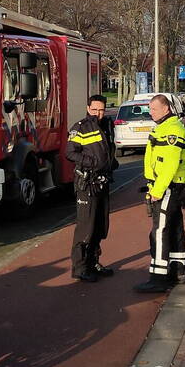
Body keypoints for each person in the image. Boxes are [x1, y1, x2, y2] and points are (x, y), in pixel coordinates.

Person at [134, 94, 185, 293]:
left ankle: (158, 277)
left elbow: (169, 165)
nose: (151, 113)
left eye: (154, 109)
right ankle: (177, 270)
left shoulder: (171, 130)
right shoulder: (167, 127)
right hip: (173, 188)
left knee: (160, 231)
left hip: (166, 189)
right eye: (150, 109)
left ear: (166, 109)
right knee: (175, 229)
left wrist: (157, 190)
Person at [65, 94, 118, 282]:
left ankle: (93, 262)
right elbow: (70, 152)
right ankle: (79, 268)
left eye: (102, 109)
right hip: (87, 184)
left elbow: (108, 151)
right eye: (95, 109)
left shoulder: (107, 126)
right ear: (88, 109)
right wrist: (92, 162)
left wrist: (112, 163)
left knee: (100, 226)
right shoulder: (80, 128)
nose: (98, 113)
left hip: (102, 182)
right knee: (85, 227)